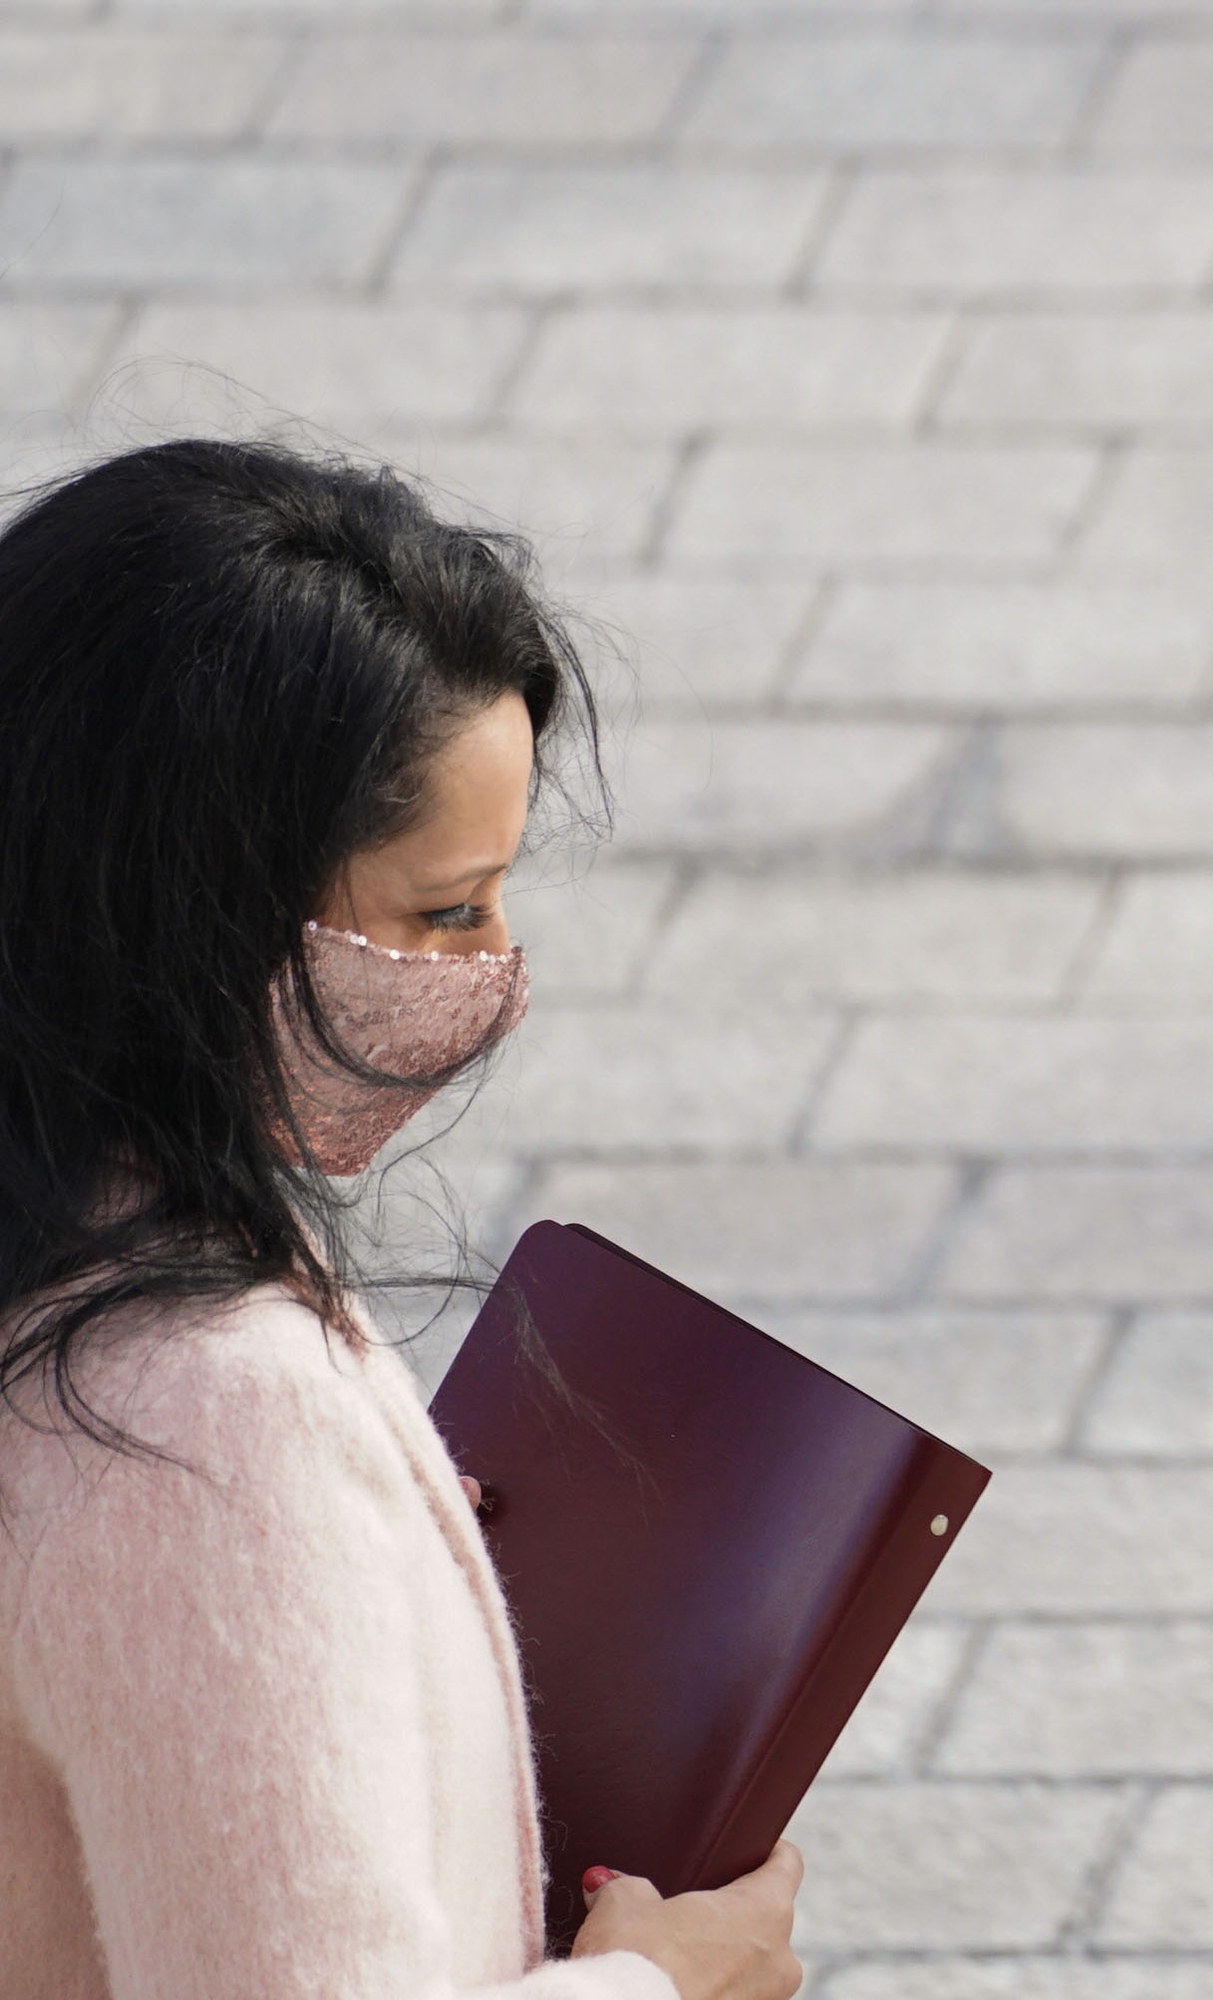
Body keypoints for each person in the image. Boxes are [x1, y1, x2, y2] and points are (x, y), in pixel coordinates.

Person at [0, 441, 803, 2000]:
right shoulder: (200, 1419)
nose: (495, 972)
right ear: (204, 909)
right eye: (446, 909)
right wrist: (658, 1985)